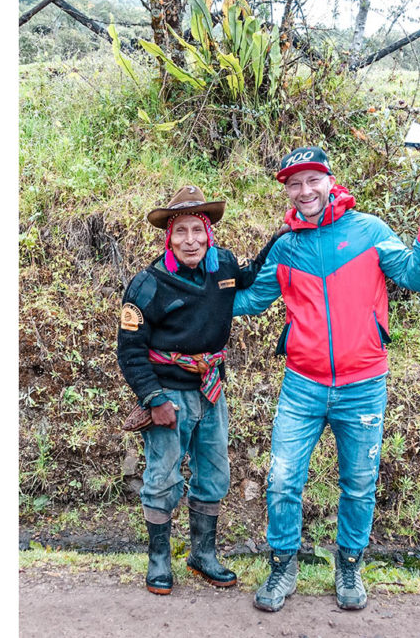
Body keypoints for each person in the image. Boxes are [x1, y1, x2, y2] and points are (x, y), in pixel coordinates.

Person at [234, 146, 420, 612]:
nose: (304, 190)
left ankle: (349, 564)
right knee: (283, 480)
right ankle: (283, 564)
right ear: (287, 191)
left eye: (312, 179)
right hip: (302, 385)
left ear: (330, 181)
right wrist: (193, 291)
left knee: (359, 483)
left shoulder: (369, 231)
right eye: (294, 183)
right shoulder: (286, 247)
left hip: (364, 384)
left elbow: (413, 277)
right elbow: (250, 301)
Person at [117, 185, 284, 595]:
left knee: (214, 473)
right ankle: (159, 560)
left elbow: (249, 275)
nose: (190, 240)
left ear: (208, 233)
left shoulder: (222, 264)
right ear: (168, 237)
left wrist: (278, 239)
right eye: (181, 231)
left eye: (198, 230)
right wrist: (155, 400)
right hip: (168, 394)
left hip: (212, 391)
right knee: (162, 477)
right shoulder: (147, 286)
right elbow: (130, 351)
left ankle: (202, 554)